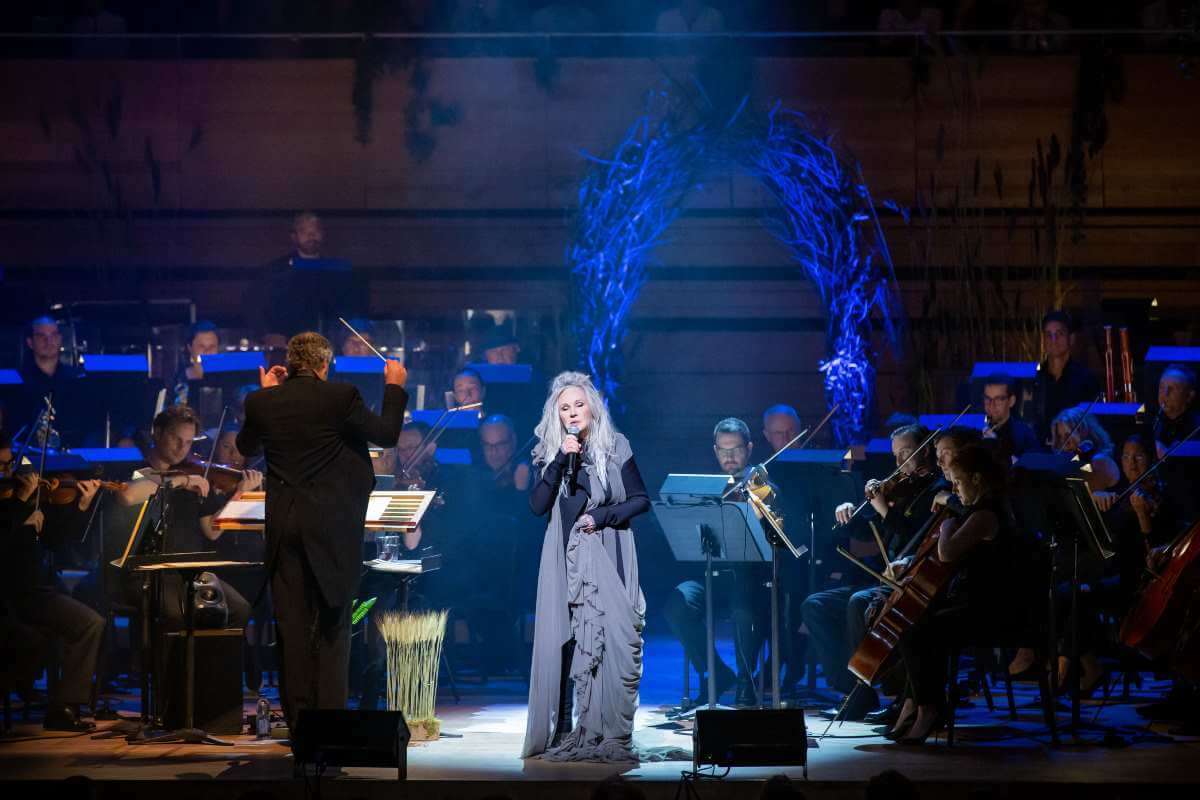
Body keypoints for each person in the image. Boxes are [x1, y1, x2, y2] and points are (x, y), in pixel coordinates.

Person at [236, 332, 407, 730]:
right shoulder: (340, 396)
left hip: (284, 530)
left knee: (292, 631)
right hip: (330, 530)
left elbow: (246, 447)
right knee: (332, 627)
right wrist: (395, 387)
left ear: (291, 363)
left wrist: (266, 392)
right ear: (324, 365)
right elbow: (386, 434)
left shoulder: (261, 401)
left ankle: (300, 732)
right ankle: (328, 732)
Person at [522, 372, 649, 761]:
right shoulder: (550, 452)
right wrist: (562, 457)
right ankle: (569, 726)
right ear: (556, 415)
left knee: (618, 638)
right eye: (564, 408)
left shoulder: (616, 446)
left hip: (610, 551)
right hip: (564, 556)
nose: (573, 412)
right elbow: (538, 505)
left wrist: (603, 516)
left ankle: (614, 730)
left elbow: (641, 499)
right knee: (570, 638)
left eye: (578, 404)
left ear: (592, 406)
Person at [887, 442, 1024, 744]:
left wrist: (948, 522)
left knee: (914, 631)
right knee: (916, 621)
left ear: (976, 479)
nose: (955, 489)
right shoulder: (980, 509)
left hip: (991, 611)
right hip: (974, 603)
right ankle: (917, 702)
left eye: (959, 482)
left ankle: (928, 708)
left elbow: (947, 553)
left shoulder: (986, 514)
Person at [805, 424, 943, 721]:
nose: (899, 463)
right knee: (816, 605)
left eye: (906, 452)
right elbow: (868, 528)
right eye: (895, 455)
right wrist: (848, 512)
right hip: (881, 581)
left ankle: (886, 688)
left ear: (927, 450)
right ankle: (856, 691)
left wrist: (885, 510)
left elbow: (914, 538)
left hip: (909, 583)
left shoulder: (936, 490)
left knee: (859, 603)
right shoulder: (900, 487)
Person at [115, 405, 260, 633]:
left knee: (240, 609)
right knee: (179, 616)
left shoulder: (196, 474)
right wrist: (181, 481)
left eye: (189, 442)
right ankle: (172, 668)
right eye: (176, 438)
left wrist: (240, 494)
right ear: (158, 432)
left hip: (191, 572)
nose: (183, 448)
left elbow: (212, 530)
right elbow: (127, 494)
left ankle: (207, 667)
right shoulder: (138, 470)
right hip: (148, 574)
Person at [662, 418, 771, 708]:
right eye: (723, 451)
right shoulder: (706, 489)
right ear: (715, 451)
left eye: (735, 449)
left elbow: (775, 538)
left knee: (742, 608)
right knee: (678, 602)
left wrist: (756, 513)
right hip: (715, 577)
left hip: (752, 580)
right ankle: (715, 673)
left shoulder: (763, 486)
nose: (729, 457)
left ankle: (746, 683)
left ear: (749, 449)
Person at [0, 429, 105, 731]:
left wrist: (80, 508)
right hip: (5, 595)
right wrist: (21, 512)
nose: (10, 474)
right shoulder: (17, 501)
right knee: (28, 640)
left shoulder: (27, 497)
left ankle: (65, 707)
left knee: (91, 623)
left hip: (33, 592)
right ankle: (21, 683)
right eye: (2, 467)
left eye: (10, 465)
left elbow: (57, 542)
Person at [1031, 310, 1102, 442]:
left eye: (1059, 334)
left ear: (1071, 338)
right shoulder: (1035, 378)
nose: (1053, 340)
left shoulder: (1086, 379)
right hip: (1039, 452)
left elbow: (1092, 424)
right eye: (1048, 335)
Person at [1050, 407, 1120, 491]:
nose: (1064, 442)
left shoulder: (1100, 461)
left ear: (1084, 431)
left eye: (1068, 434)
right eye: (1060, 436)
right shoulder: (1071, 461)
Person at [980, 373, 1040, 462]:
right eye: (987, 398)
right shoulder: (976, 432)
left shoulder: (1025, 435)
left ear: (1011, 401)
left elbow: (1033, 466)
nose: (991, 405)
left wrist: (997, 447)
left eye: (998, 399)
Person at [172, 320, 221, 406]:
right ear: (190, 348)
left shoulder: (227, 377)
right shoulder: (179, 380)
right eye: (201, 347)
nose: (207, 352)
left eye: (212, 347)